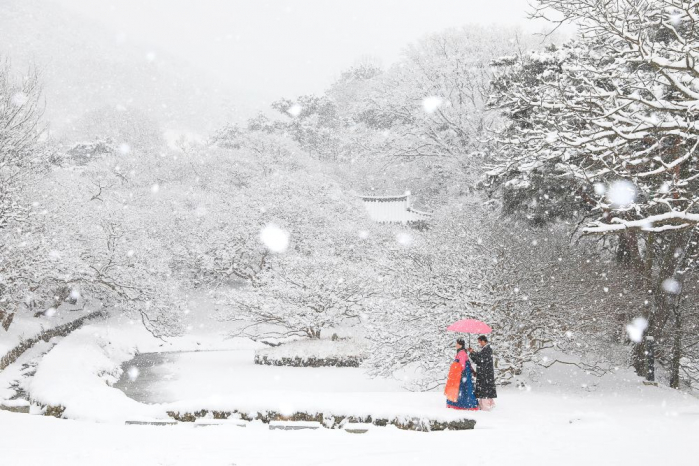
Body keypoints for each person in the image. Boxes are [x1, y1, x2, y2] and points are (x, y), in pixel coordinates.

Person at [446, 338, 478, 410]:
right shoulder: (462, 352)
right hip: (463, 373)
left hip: (462, 374)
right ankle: (465, 403)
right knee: (465, 389)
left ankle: (462, 404)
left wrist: (462, 374)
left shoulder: (461, 353)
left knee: (462, 389)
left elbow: (462, 364)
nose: (456, 345)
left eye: (457, 343)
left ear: (460, 345)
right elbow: (468, 364)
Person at [468, 335, 497, 411]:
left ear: (483, 341)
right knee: (484, 392)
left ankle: (486, 408)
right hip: (484, 374)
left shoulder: (487, 349)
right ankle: (485, 406)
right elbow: (478, 358)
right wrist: (472, 352)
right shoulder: (484, 349)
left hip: (486, 375)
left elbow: (480, 360)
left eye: (479, 342)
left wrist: (473, 353)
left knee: (485, 392)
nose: (479, 343)